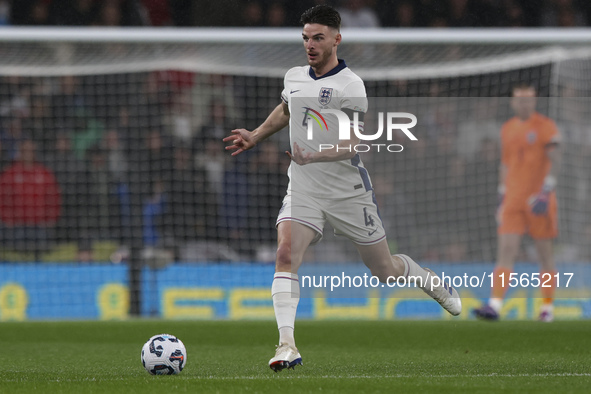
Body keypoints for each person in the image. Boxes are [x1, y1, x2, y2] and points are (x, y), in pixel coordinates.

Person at [223, 5, 461, 372]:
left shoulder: (351, 85)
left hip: (348, 192)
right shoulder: (294, 76)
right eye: (305, 38)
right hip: (303, 188)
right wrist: (255, 135)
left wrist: (314, 155)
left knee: (384, 270)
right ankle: (286, 345)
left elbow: (355, 144)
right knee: (285, 253)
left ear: (336, 38)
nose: (310, 45)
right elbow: (286, 110)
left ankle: (422, 275)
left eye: (318, 37)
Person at [473, 84, 561, 322]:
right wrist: (502, 197)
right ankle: (495, 304)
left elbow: (556, 158)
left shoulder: (545, 126)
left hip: (538, 199)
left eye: (529, 100)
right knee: (506, 251)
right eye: (520, 100)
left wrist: (547, 190)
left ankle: (547, 308)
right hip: (513, 199)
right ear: (513, 102)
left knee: (544, 254)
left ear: (534, 102)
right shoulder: (507, 129)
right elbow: (505, 164)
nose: (525, 104)